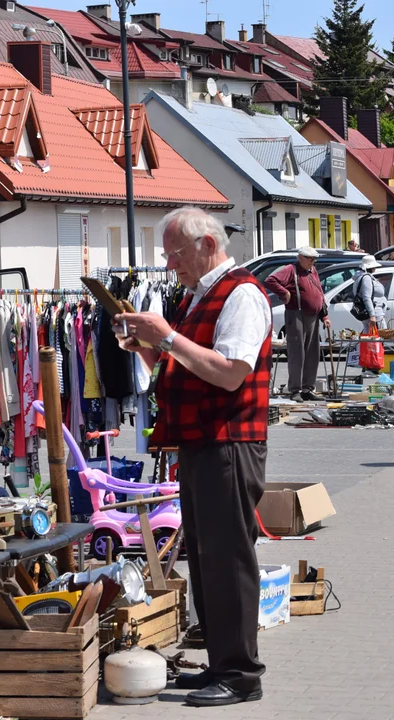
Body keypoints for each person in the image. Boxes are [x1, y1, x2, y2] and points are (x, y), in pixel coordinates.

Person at [113, 206, 270, 707]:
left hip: (229, 443)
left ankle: (242, 674)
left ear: (207, 244)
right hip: (203, 442)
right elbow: (180, 363)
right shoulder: (200, 294)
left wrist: (167, 336)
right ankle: (223, 663)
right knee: (206, 559)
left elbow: (229, 373)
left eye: (175, 253)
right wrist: (144, 347)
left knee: (228, 560)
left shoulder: (241, 293)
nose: (170, 264)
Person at [263, 247, 329, 402]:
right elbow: (270, 280)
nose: (312, 261)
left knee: (312, 354)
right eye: (309, 258)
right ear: (300, 257)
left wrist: (324, 315)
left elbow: (319, 292)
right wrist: (284, 293)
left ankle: (307, 388)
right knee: (297, 353)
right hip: (297, 314)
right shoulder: (291, 269)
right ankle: (295, 389)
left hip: (312, 316)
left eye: (314, 259)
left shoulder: (313, 271)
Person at [352, 255, 387, 333]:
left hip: (370, 313)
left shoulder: (360, 277)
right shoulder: (366, 278)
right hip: (374, 314)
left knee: (369, 338)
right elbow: (366, 297)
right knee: (378, 338)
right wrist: (372, 315)